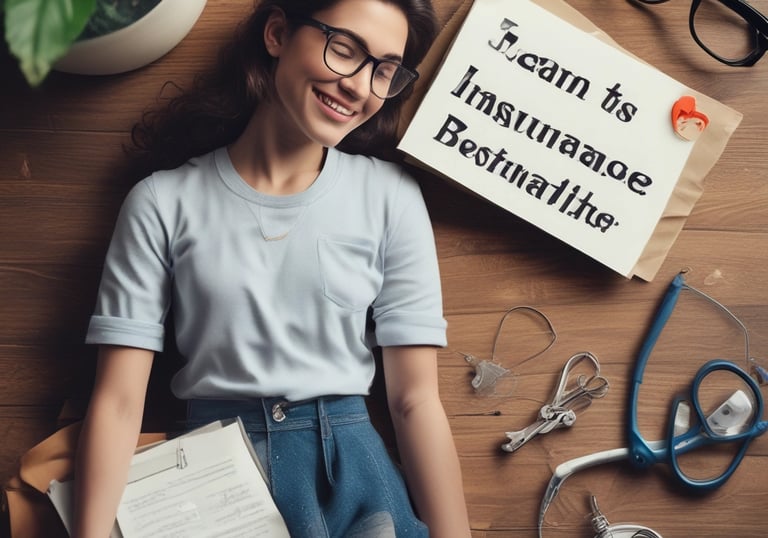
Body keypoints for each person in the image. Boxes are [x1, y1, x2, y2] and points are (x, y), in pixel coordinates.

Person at [73, 0, 471, 536]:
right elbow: (119, 404)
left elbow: (415, 401)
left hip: (355, 478)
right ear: (278, 33)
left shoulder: (390, 197)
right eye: (344, 49)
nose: (358, 86)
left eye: (383, 71)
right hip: (214, 480)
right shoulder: (162, 201)